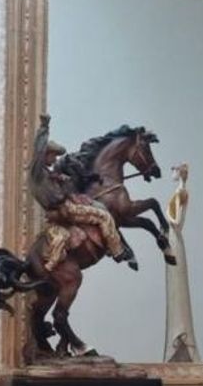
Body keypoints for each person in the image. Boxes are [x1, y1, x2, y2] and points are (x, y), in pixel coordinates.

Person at [29, 114, 135, 271]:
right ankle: (117, 250)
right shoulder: (38, 173)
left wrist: (63, 181)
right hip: (66, 208)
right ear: (46, 154)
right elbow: (38, 151)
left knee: (98, 205)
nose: (55, 159)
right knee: (104, 216)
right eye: (53, 155)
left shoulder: (47, 175)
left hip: (64, 206)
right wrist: (44, 127)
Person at [163, 163, 201, 362]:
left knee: (177, 287)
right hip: (174, 240)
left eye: (173, 170)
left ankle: (179, 334)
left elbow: (177, 222)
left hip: (174, 239)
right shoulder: (182, 192)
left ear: (179, 173)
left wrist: (166, 214)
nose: (172, 173)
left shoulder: (180, 193)